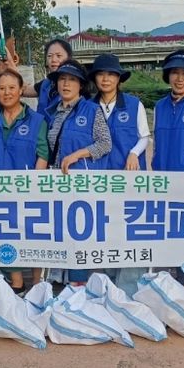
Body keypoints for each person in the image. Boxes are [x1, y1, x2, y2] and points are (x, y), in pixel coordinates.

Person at [0, 69, 49, 295]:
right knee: (5, 234)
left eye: (11, 88)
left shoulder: (37, 120)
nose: (6, 92)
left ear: (21, 90)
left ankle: (37, 283)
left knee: (35, 235)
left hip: (29, 191)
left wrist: (34, 184)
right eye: (1, 88)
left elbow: (43, 153)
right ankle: (17, 282)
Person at [88, 53, 150, 296]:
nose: (105, 79)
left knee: (130, 230)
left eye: (111, 74)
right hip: (100, 179)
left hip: (129, 179)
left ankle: (130, 289)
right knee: (105, 230)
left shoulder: (133, 104)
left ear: (118, 79)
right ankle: (109, 286)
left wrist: (134, 153)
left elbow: (144, 137)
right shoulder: (89, 107)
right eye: (101, 74)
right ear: (95, 78)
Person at [46, 59, 112, 285]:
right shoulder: (52, 112)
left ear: (81, 85)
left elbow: (105, 144)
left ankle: (79, 283)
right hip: (58, 183)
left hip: (82, 183)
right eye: (62, 79)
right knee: (60, 230)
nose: (66, 84)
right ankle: (58, 280)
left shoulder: (92, 110)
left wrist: (77, 155)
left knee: (79, 232)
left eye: (72, 80)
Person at [20, 39, 73, 114]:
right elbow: (23, 90)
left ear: (69, 58)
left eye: (58, 56)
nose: (53, 60)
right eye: (49, 56)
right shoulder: (46, 84)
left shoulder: (77, 85)